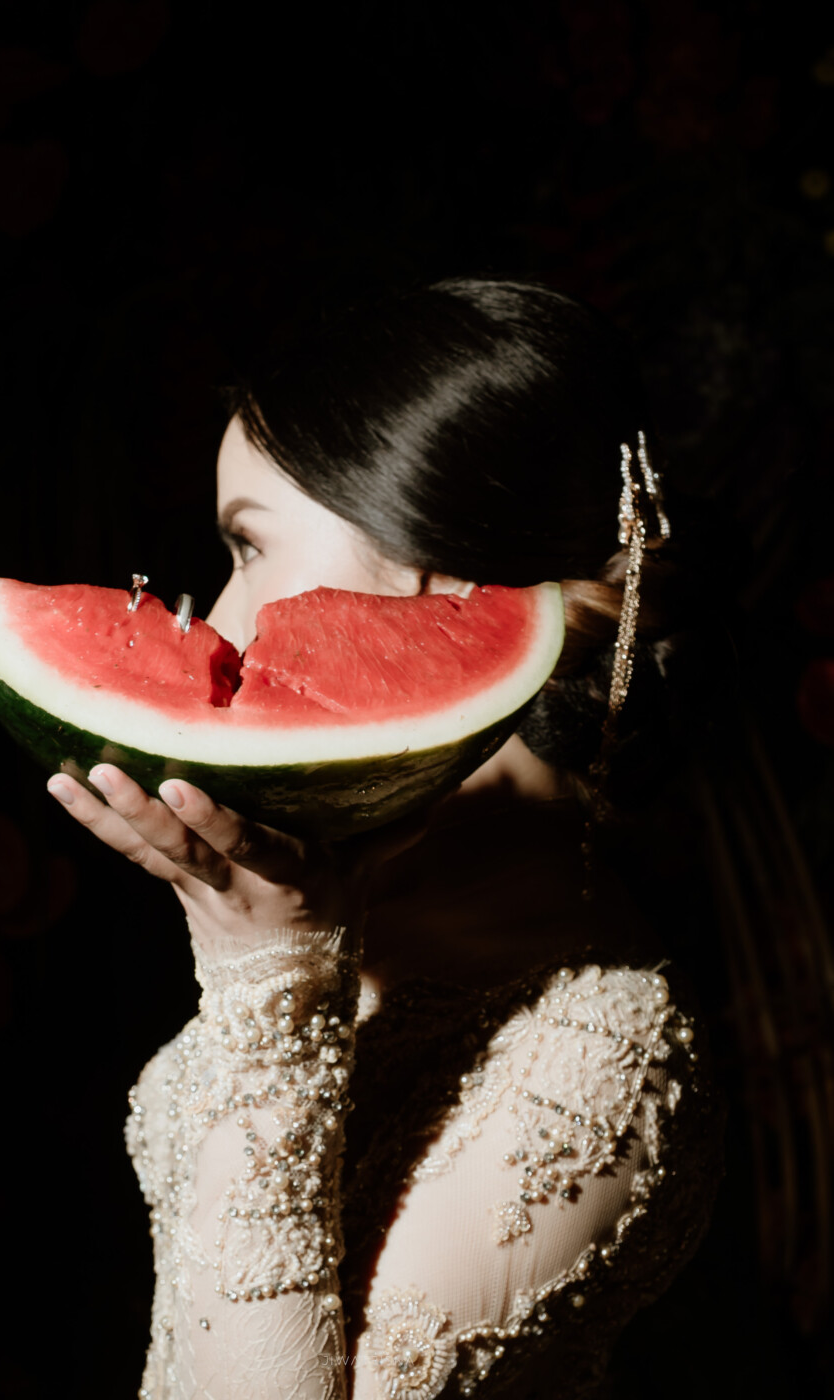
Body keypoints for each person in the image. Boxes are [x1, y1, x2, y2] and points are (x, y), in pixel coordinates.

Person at [46, 276, 723, 1399]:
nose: (214, 620)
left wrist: (264, 969)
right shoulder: (354, 892)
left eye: (247, 546)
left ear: (441, 581)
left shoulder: (602, 1057)